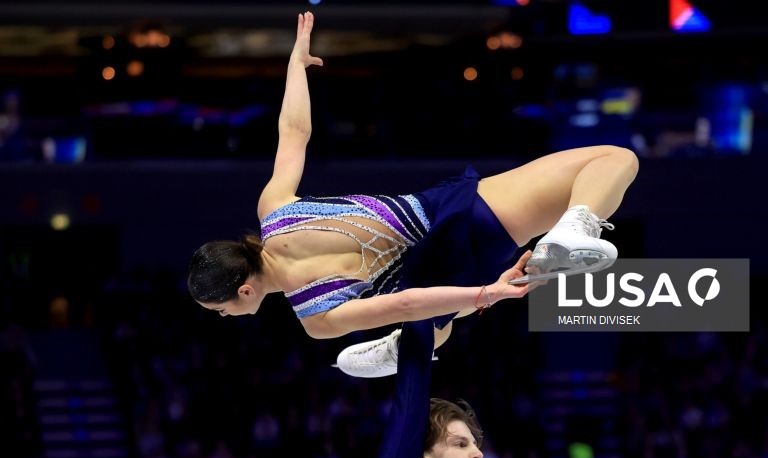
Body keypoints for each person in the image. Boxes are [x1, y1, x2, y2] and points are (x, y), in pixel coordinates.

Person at [187, 12, 639, 375]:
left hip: (442, 272)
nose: (223, 316)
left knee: (431, 314)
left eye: (220, 310)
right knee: (614, 159)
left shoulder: (315, 319)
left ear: (244, 290)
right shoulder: (275, 210)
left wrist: (487, 294)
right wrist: (295, 65)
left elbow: (405, 303)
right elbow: (294, 132)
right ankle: (574, 229)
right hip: (451, 218)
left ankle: (409, 341)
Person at [366, 318, 485, 458]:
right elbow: (411, 396)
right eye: (460, 444)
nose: (479, 454)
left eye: (474, 445)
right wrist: (424, 313)